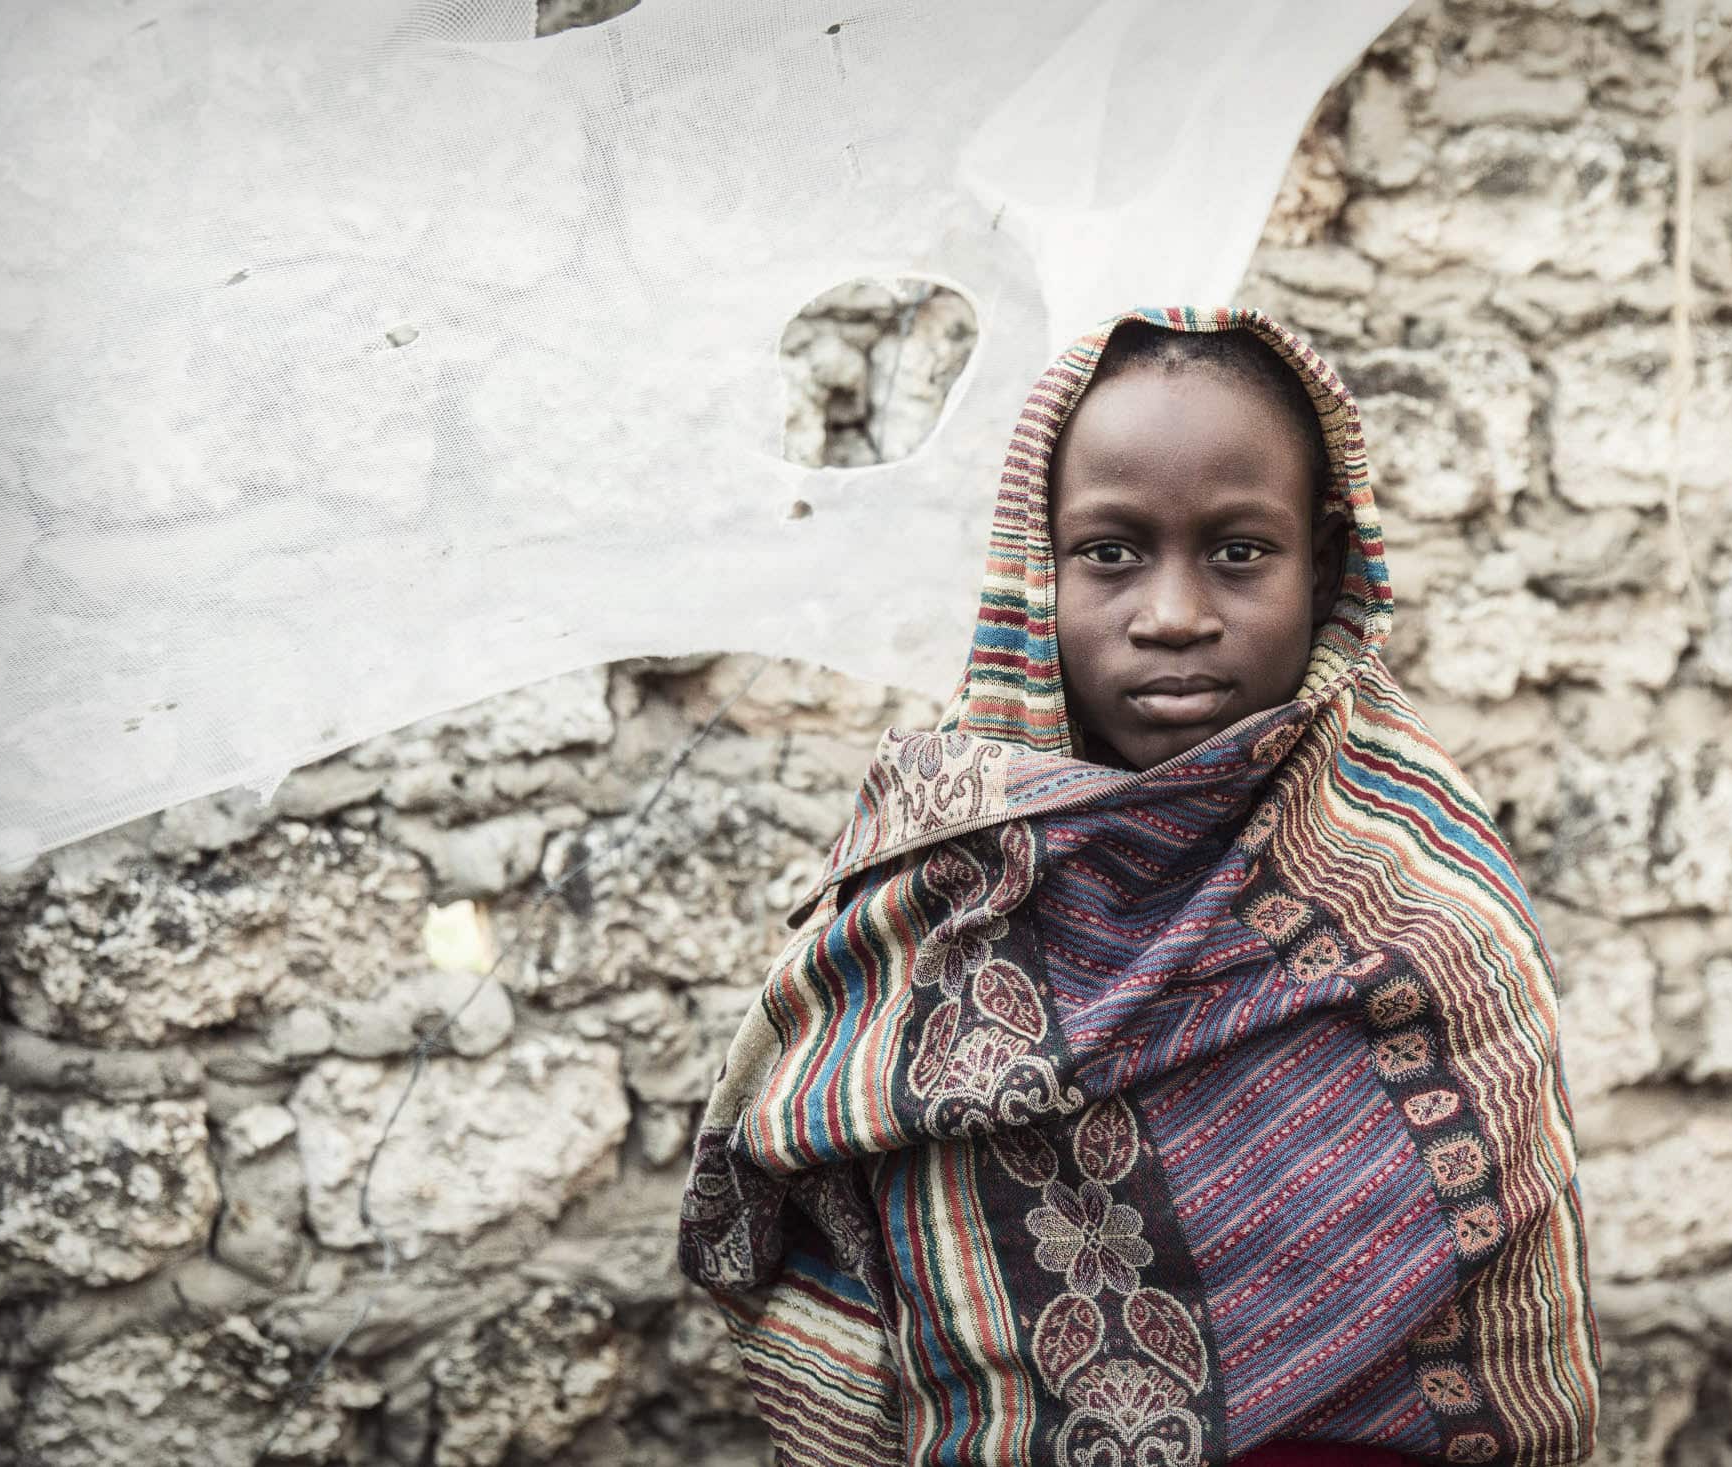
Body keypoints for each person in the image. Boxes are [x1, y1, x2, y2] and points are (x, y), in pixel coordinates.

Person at [677, 306, 1600, 1465]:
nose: (1173, 615)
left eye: (1239, 552)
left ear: (1323, 566)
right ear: (1033, 568)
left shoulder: (1426, 897)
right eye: (1109, 553)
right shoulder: (931, 883)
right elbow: (785, 1203)